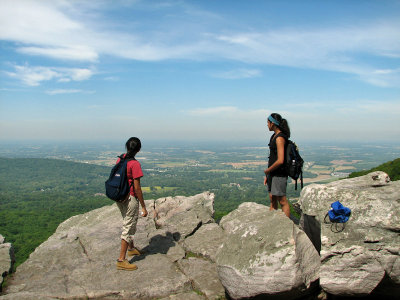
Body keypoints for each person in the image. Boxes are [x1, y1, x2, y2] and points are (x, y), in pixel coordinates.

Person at [116, 137, 148, 271]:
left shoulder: (121, 158)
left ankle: (131, 248)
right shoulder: (134, 164)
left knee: (127, 221)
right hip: (130, 198)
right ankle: (121, 260)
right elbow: (137, 188)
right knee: (128, 227)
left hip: (119, 197)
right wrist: (143, 206)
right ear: (138, 149)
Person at [264, 113, 291, 217]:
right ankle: (273, 222)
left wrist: (267, 171)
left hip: (279, 173)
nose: (267, 125)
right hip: (273, 173)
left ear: (273, 123)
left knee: (282, 200)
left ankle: (287, 226)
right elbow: (273, 158)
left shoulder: (279, 138)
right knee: (272, 198)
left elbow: (280, 160)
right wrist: (268, 174)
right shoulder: (274, 136)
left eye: (268, 122)